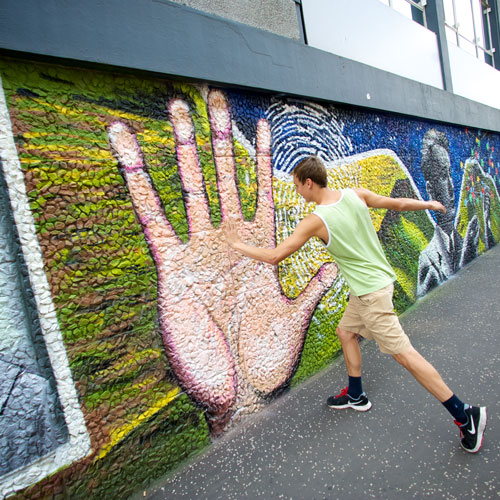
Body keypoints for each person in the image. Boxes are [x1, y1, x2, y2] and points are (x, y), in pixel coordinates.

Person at [224, 155, 487, 453]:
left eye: (298, 186)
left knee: (405, 356)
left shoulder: (316, 220)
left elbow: (275, 256)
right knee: (346, 333)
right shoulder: (355, 194)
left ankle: (465, 415)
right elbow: (398, 203)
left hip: (372, 296)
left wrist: (236, 245)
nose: (297, 191)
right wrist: (427, 205)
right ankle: (357, 395)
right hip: (372, 288)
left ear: (309, 183)